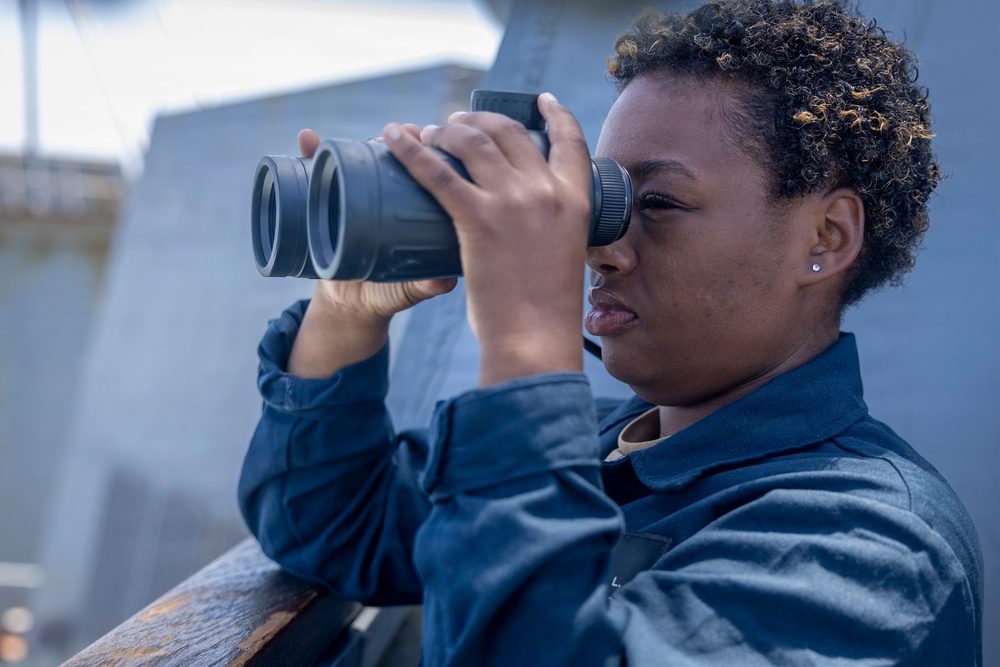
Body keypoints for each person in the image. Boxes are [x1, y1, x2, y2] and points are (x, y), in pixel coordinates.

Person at [239, 0, 983, 664]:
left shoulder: (869, 544)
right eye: (597, 201)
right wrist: (345, 307)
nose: (597, 245)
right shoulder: (599, 451)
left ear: (826, 234)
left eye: (655, 201)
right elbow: (331, 526)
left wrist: (529, 334)